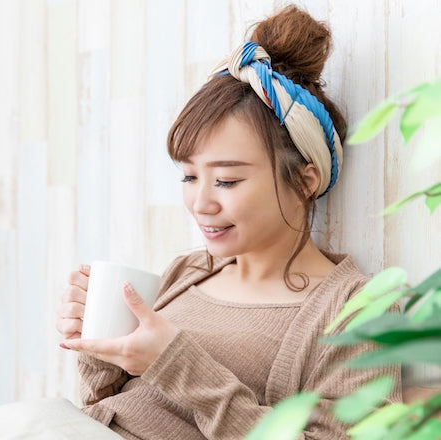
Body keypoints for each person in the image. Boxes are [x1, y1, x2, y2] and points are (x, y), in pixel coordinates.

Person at [56, 5, 401, 440]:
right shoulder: (188, 271)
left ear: (305, 181)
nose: (200, 203)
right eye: (189, 176)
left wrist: (177, 365)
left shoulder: (357, 309)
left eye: (226, 180)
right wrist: (99, 348)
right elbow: (106, 409)